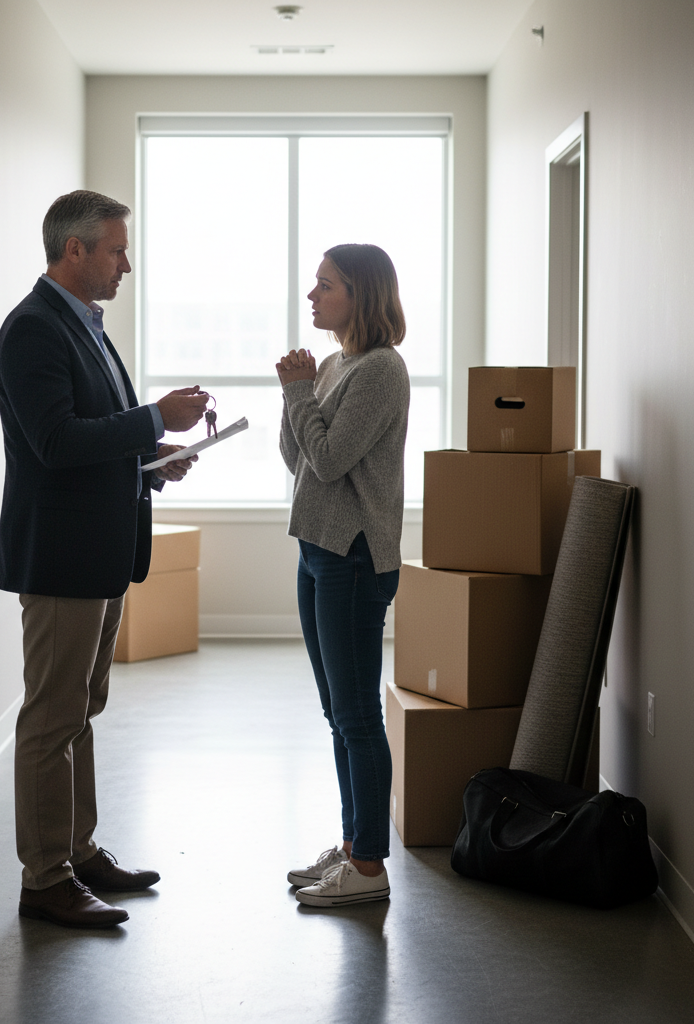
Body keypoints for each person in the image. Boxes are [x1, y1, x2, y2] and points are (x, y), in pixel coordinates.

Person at [0, 190, 209, 928]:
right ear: (74, 249)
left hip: (99, 551)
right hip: (61, 557)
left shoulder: (82, 327)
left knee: (82, 710)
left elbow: (91, 433)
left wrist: (151, 456)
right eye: (116, 249)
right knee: (51, 719)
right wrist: (153, 418)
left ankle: (77, 853)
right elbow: (55, 443)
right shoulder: (31, 331)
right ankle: (44, 879)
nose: (127, 264)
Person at [277, 243, 410, 907]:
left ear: (360, 293)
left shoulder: (381, 370)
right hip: (317, 548)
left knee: (357, 715)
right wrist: (295, 393)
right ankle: (355, 842)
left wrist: (301, 394)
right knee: (338, 713)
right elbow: (293, 454)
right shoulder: (335, 363)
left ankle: (370, 865)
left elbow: (327, 460)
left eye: (325, 285)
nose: (313, 295)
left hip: (354, 557)